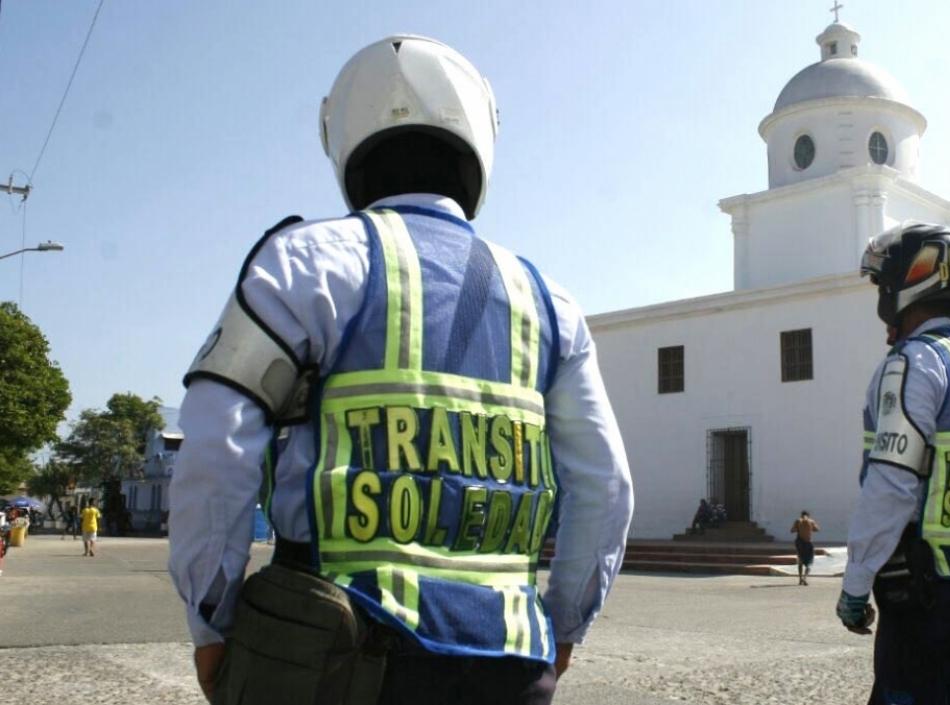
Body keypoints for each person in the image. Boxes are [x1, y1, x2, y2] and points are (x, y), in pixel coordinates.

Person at [168, 35, 633, 705]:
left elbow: (216, 446)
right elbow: (607, 487)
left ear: (346, 142)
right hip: (508, 667)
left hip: (330, 657)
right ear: (478, 141)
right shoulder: (550, 302)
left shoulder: (303, 264)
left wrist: (210, 620)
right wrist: (562, 631)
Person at [835, 223, 950, 704]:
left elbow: (892, 483)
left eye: (884, 285)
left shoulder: (912, 363)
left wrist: (856, 584)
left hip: (923, 593)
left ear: (907, 282)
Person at [790, 511, 819, 586]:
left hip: (799, 544)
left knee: (800, 561)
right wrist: (809, 528)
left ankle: (800, 579)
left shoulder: (798, 521)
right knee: (810, 562)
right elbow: (817, 529)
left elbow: (792, 530)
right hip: (808, 543)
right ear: (808, 516)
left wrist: (799, 529)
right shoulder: (811, 521)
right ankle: (805, 578)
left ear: (801, 515)